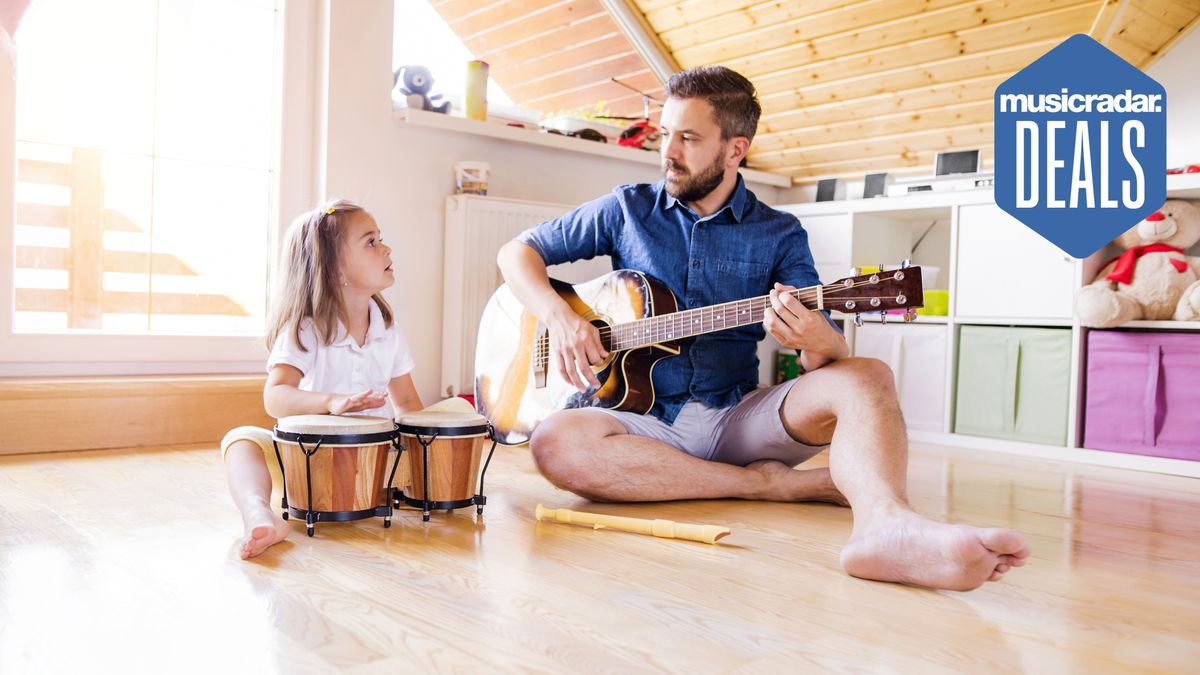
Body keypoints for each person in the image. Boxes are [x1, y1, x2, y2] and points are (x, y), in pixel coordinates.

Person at [496, 66, 1030, 591]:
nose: (668, 152)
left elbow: (823, 359)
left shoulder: (779, 232)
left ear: (735, 149)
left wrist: (817, 340)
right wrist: (559, 316)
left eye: (688, 137)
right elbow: (517, 253)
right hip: (641, 422)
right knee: (555, 444)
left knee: (866, 375)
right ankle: (768, 485)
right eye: (666, 134)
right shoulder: (626, 209)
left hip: (736, 416)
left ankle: (887, 529)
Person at [222, 200, 423, 559]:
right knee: (241, 441)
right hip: (306, 467)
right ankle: (258, 512)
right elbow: (276, 396)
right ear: (335, 272)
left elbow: (408, 403)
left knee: (442, 418)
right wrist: (331, 403)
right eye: (371, 242)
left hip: (373, 466)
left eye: (381, 239)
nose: (386, 248)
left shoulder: (387, 329)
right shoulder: (307, 328)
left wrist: (426, 456)